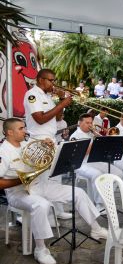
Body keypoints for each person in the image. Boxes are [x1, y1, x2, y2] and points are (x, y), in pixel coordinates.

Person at [0, 118, 107, 264]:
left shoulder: (27, 144)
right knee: (41, 205)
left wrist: (48, 149)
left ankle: (96, 229)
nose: (25, 131)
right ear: (10, 132)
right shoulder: (3, 151)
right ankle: (40, 249)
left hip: (40, 185)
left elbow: (44, 162)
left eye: (24, 127)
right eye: (21, 128)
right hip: (18, 192)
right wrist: (21, 180)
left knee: (78, 193)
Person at [23, 68, 73, 220]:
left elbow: (57, 118)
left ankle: (56, 211)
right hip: (39, 141)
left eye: (54, 80)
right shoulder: (32, 95)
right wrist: (62, 103)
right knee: (42, 182)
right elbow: (40, 118)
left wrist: (60, 102)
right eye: (51, 80)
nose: (53, 83)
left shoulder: (46, 96)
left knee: (54, 178)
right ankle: (46, 216)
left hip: (50, 139)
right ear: (40, 80)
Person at [70, 113, 123, 211]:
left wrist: (103, 140)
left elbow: (101, 148)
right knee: (98, 175)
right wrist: (96, 141)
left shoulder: (90, 133)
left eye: (91, 122)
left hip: (94, 161)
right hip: (81, 164)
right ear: (80, 123)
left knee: (118, 173)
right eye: (87, 123)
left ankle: (106, 198)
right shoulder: (75, 136)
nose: (90, 125)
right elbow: (81, 154)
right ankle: (100, 205)